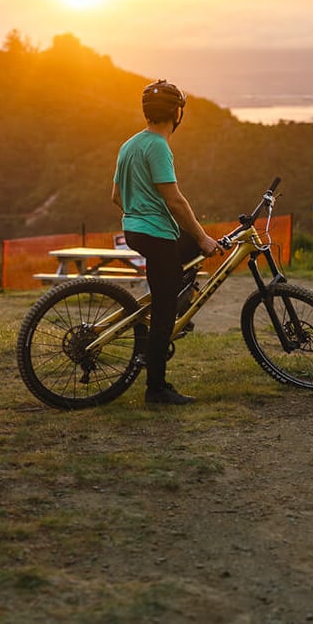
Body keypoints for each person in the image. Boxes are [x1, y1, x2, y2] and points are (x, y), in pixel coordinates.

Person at [111, 79, 221, 405]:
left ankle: (179, 302)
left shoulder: (129, 145)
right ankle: (155, 389)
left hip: (136, 229)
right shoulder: (158, 146)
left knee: (184, 251)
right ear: (177, 113)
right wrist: (202, 236)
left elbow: (116, 196)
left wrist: (140, 215)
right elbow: (175, 201)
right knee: (163, 311)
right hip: (156, 235)